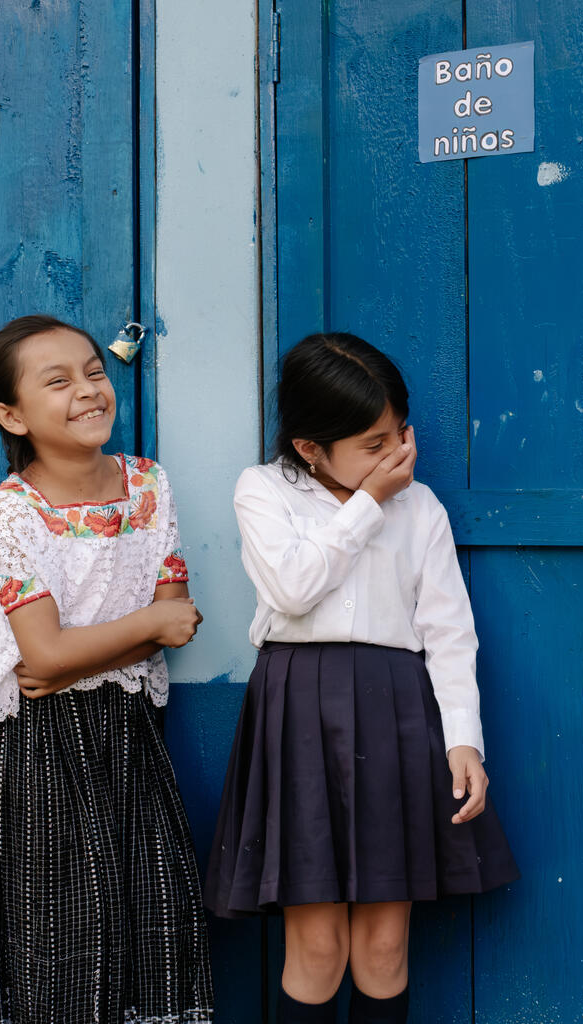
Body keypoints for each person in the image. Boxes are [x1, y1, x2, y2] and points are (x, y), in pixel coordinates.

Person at [205, 332, 519, 1024]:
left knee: (383, 943)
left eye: (398, 434)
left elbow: (449, 632)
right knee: (316, 945)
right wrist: (369, 504)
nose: (396, 456)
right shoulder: (262, 491)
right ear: (310, 448)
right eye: (373, 445)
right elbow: (291, 588)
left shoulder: (424, 507)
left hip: (398, 713)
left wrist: (464, 741)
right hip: (297, 710)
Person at [0, 314, 213, 1024]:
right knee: (58, 933)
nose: (88, 391)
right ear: (12, 414)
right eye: (56, 381)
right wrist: (130, 632)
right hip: (36, 746)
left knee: (149, 911)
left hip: (130, 736)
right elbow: (50, 655)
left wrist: (73, 658)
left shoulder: (147, 486)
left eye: (94, 371)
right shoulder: (11, 514)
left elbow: (173, 623)